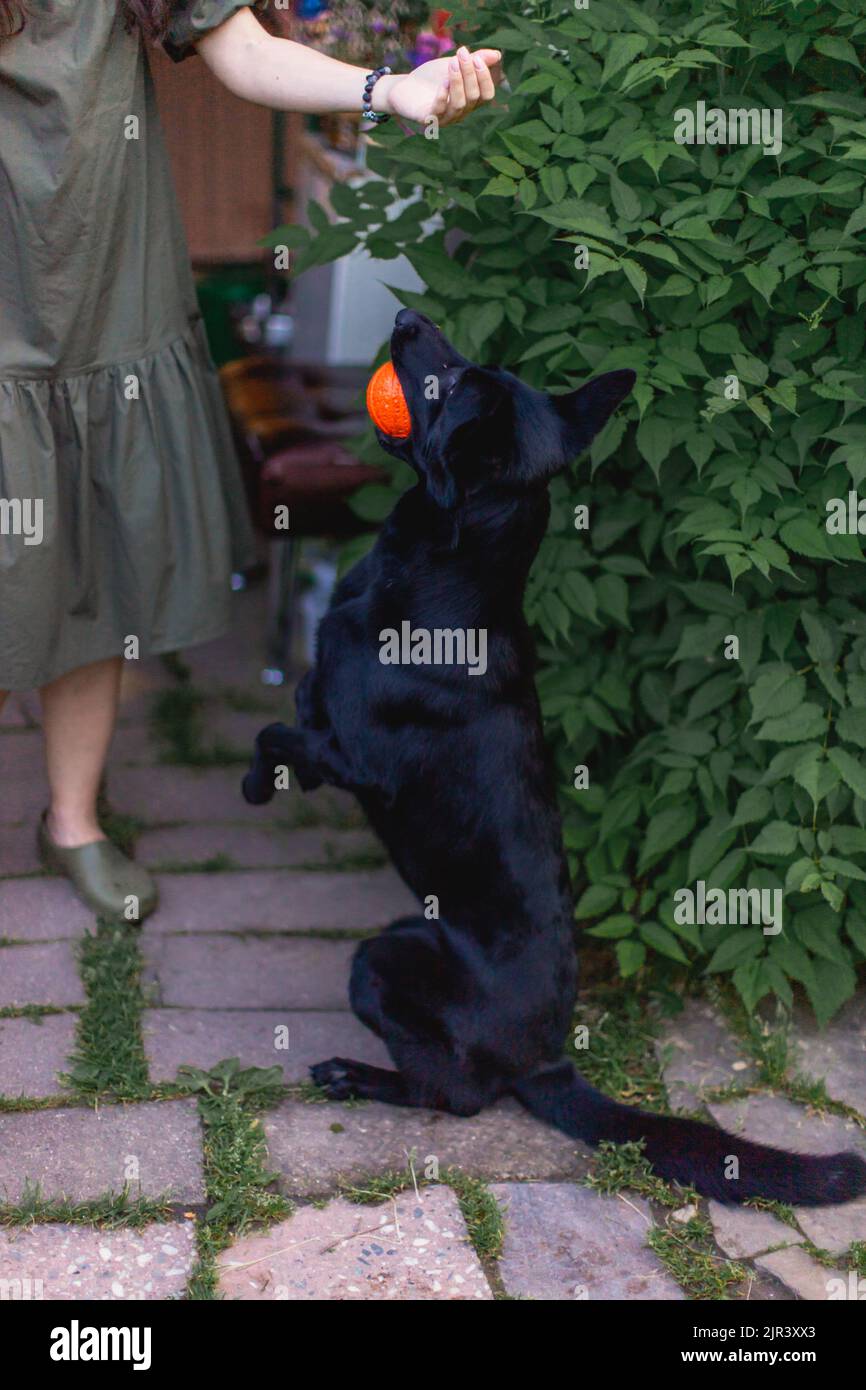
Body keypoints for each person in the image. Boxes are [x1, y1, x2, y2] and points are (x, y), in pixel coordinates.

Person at [0, 0, 501, 922]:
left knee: (95, 565)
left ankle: (71, 821)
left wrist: (391, 89)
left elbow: (245, 54)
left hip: (103, 298)